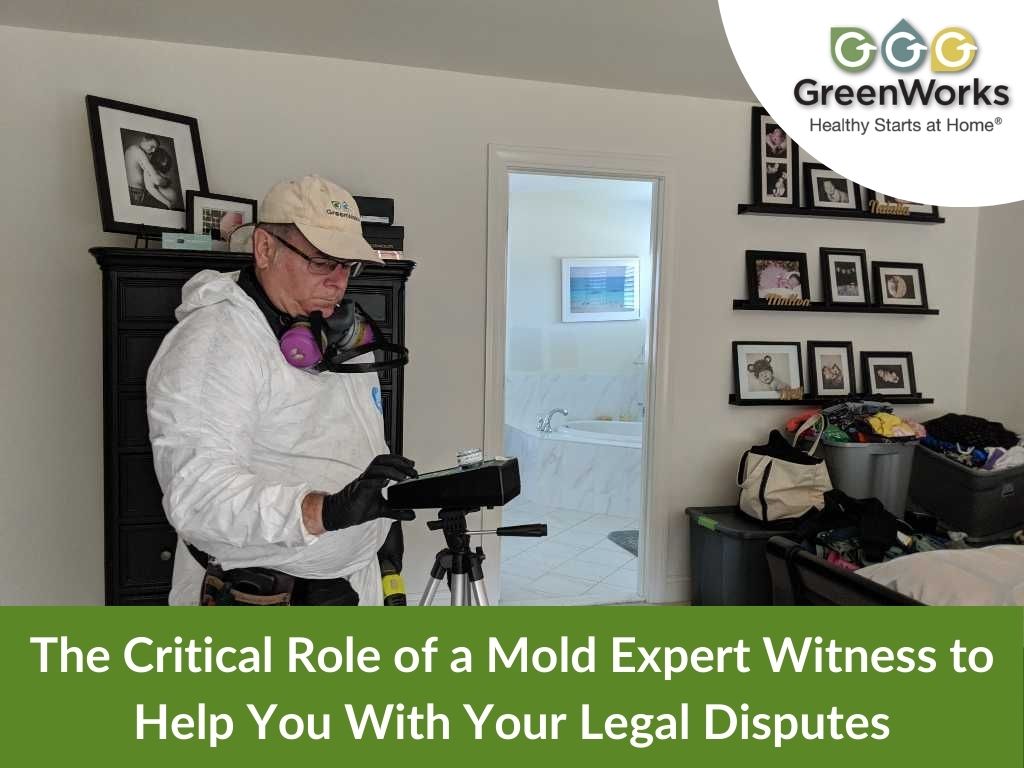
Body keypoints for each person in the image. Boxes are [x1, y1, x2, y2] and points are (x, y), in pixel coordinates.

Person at [147, 175, 417, 606]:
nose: (339, 282)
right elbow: (200, 496)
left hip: (349, 584)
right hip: (260, 596)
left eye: (348, 265)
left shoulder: (335, 334)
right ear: (265, 248)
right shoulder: (216, 342)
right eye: (321, 261)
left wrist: (377, 526)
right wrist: (322, 511)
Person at [124, 135, 175, 209]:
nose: (153, 150)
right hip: (136, 195)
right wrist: (167, 181)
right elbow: (157, 180)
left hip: (135, 192)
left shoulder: (131, 149)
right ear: (144, 140)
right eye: (152, 146)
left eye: (155, 148)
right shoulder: (138, 151)